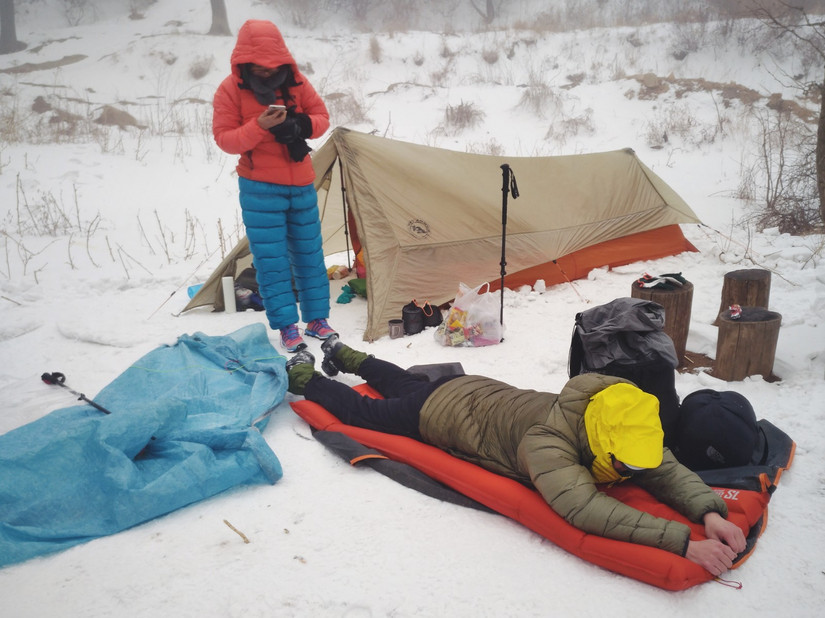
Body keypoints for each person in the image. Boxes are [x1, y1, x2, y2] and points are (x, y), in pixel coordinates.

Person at [285, 337, 747, 577]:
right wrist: (683, 543)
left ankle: (345, 353)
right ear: (601, 443)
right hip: (441, 413)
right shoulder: (548, 445)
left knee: (404, 382)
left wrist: (708, 512)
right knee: (366, 413)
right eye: (625, 464)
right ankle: (306, 376)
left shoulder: (615, 413)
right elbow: (585, 508)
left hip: (473, 388)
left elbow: (661, 465)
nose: (632, 471)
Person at [213, 19, 334, 352]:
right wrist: (259, 126)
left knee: (310, 256)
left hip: (301, 184)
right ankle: (286, 326)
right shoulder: (230, 89)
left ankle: (317, 319)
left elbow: (321, 118)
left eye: (272, 66)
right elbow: (225, 139)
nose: (267, 72)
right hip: (260, 189)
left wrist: (299, 124)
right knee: (272, 262)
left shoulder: (296, 82)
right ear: (244, 61)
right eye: (259, 67)